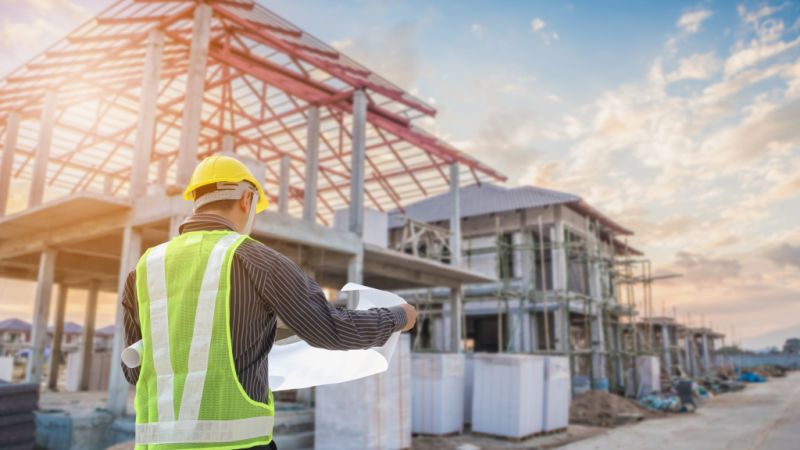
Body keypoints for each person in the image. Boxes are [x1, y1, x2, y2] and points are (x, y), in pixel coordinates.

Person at [121, 155, 417, 449]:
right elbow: (332, 328)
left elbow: (134, 370)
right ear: (246, 200)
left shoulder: (144, 270)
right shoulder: (259, 262)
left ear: (195, 200)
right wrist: (398, 316)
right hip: (239, 445)